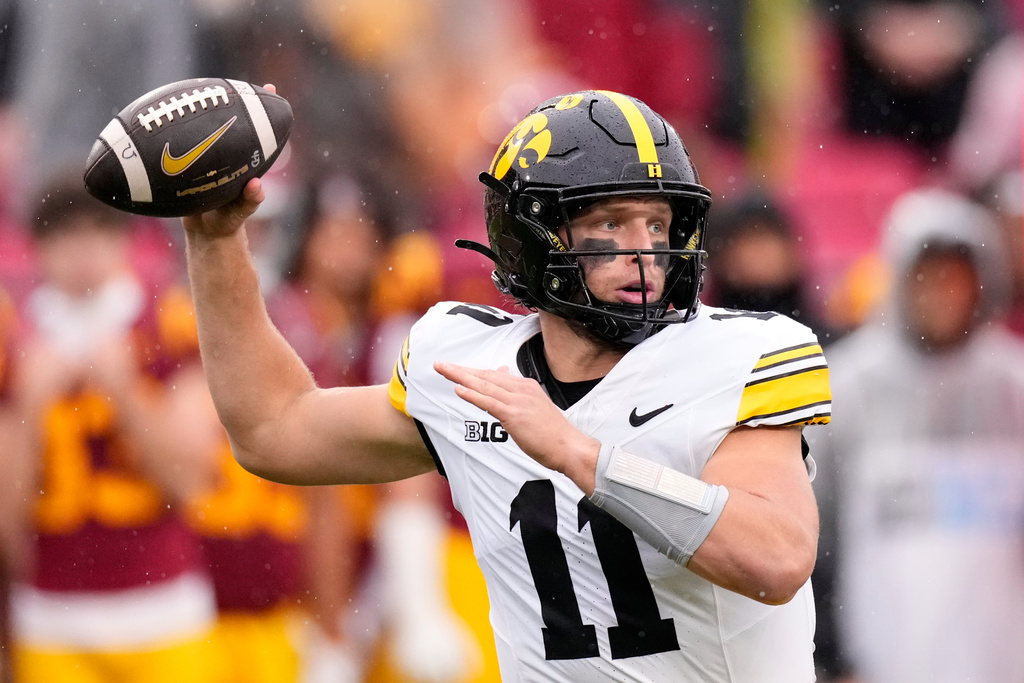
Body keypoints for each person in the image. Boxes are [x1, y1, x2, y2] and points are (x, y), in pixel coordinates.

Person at [181, 89, 832, 681]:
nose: (646, 254)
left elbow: (775, 557)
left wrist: (585, 456)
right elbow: (273, 428)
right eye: (612, 224)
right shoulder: (473, 364)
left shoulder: (740, 353)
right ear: (534, 234)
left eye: (658, 225)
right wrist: (216, 241)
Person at [6, 175, 222, 683]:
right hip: (53, 615)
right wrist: (28, 406)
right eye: (65, 235)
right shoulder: (13, 339)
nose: (83, 252)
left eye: (98, 232)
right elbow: (7, 515)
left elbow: (189, 482)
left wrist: (126, 394)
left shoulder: (165, 326)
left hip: (163, 608)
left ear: (124, 240)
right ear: (37, 248)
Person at [809, 188, 1024, 683]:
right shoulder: (847, 388)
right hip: (883, 656)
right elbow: (814, 544)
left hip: (1001, 655)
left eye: (957, 281)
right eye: (929, 279)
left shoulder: (1013, 389)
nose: (943, 296)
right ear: (902, 281)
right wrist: (834, 657)